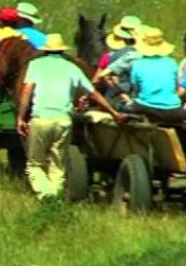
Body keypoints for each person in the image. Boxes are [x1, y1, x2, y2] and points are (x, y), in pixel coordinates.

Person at [17, 34, 126, 200]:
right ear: (62, 50)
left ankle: (46, 194)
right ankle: (55, 197)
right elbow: (93, 93)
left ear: (45, 50)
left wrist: (20, 117)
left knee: (35, 163)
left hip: (41, 118)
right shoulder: (72, 68)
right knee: (58, 163)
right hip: (64, 120)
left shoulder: (35, 65)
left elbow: (26, 91)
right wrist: (113, 112)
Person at [121, 27, 185, 123]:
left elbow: (136, 89)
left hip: (147, 107)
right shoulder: (171, 62)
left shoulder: (138, 64)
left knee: (120, 106)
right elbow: (176, 87)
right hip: (174, 110)